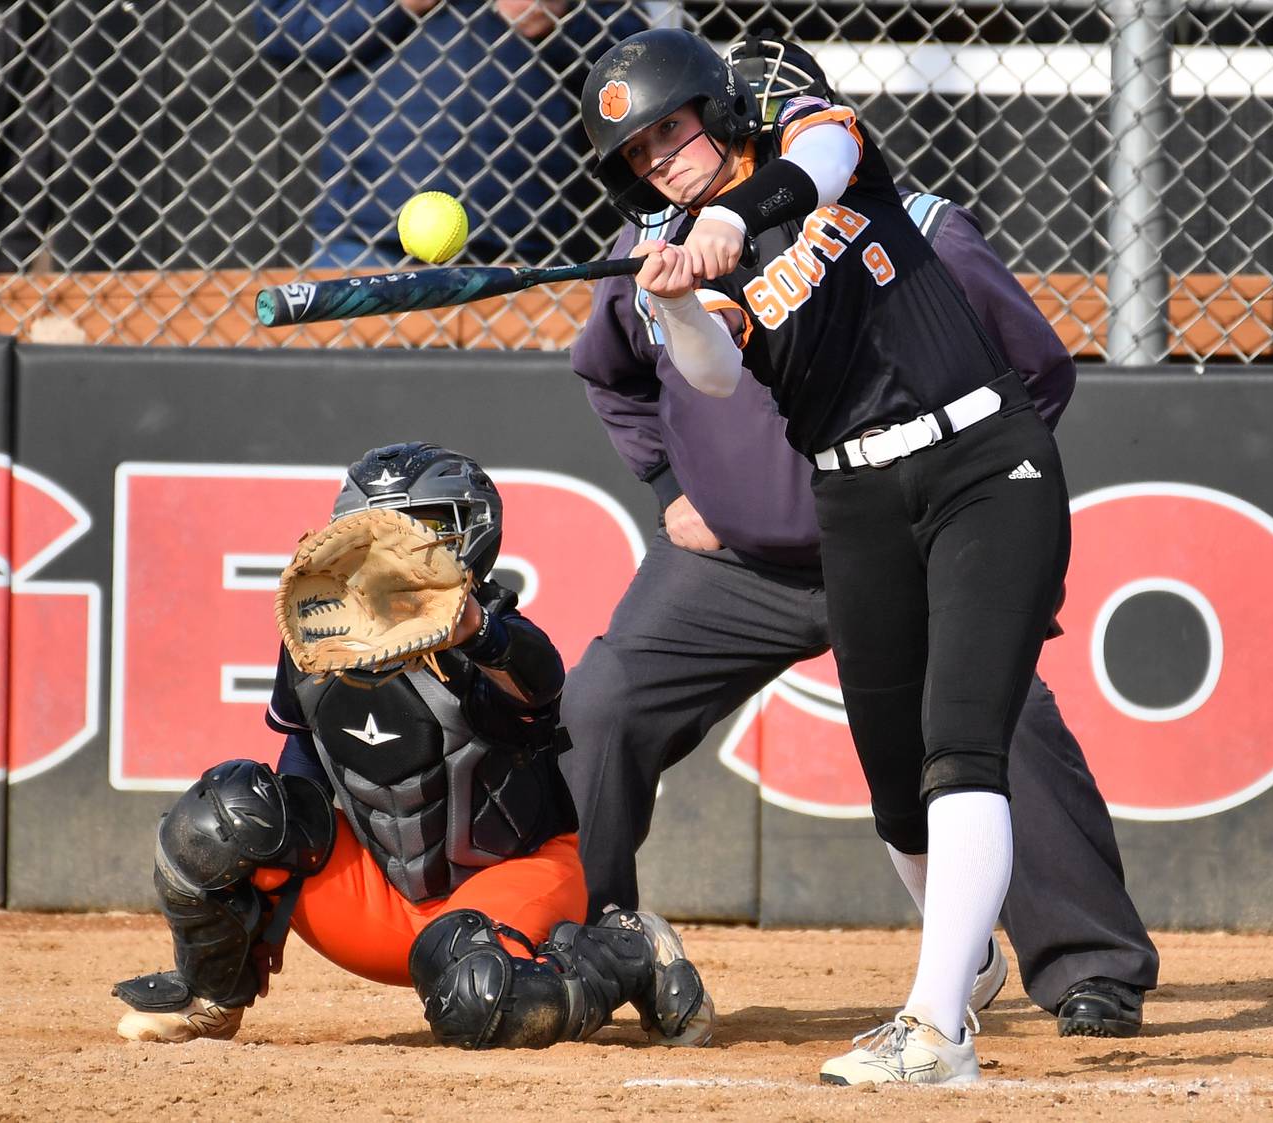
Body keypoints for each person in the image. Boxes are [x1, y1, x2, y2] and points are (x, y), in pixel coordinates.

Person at [576, 28, 1087, 1086]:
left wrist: (724, 221)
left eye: (668, 130)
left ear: (714, 113)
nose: (659, 158)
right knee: (896, 787)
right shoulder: (681, 246)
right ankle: (967, 962)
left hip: (983, 462)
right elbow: (714, 376)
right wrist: (673, 296)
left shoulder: (813, 146)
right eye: (638, 154)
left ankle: (937, 1027)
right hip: (853, 492)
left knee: (962, 743)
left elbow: (823, 161)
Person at [112, 443, 714, 1051]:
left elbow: (540, 683)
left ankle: (628, 952)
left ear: (470, 533)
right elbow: (303, 761)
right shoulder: (318, 636)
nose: (404, 548)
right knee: (224, 813)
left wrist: (477, 630)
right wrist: (266, 900)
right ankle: (211, 993)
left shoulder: (495, 632)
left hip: (508, 882)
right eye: (385, 529)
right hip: (378, 904)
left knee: (479, 1001)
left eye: (424, 528)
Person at [254, 1, 644, 269]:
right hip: (368, 230)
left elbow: (637, 58)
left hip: (528, 236)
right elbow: (281, 26)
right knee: (350, 386)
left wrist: (563, 19)